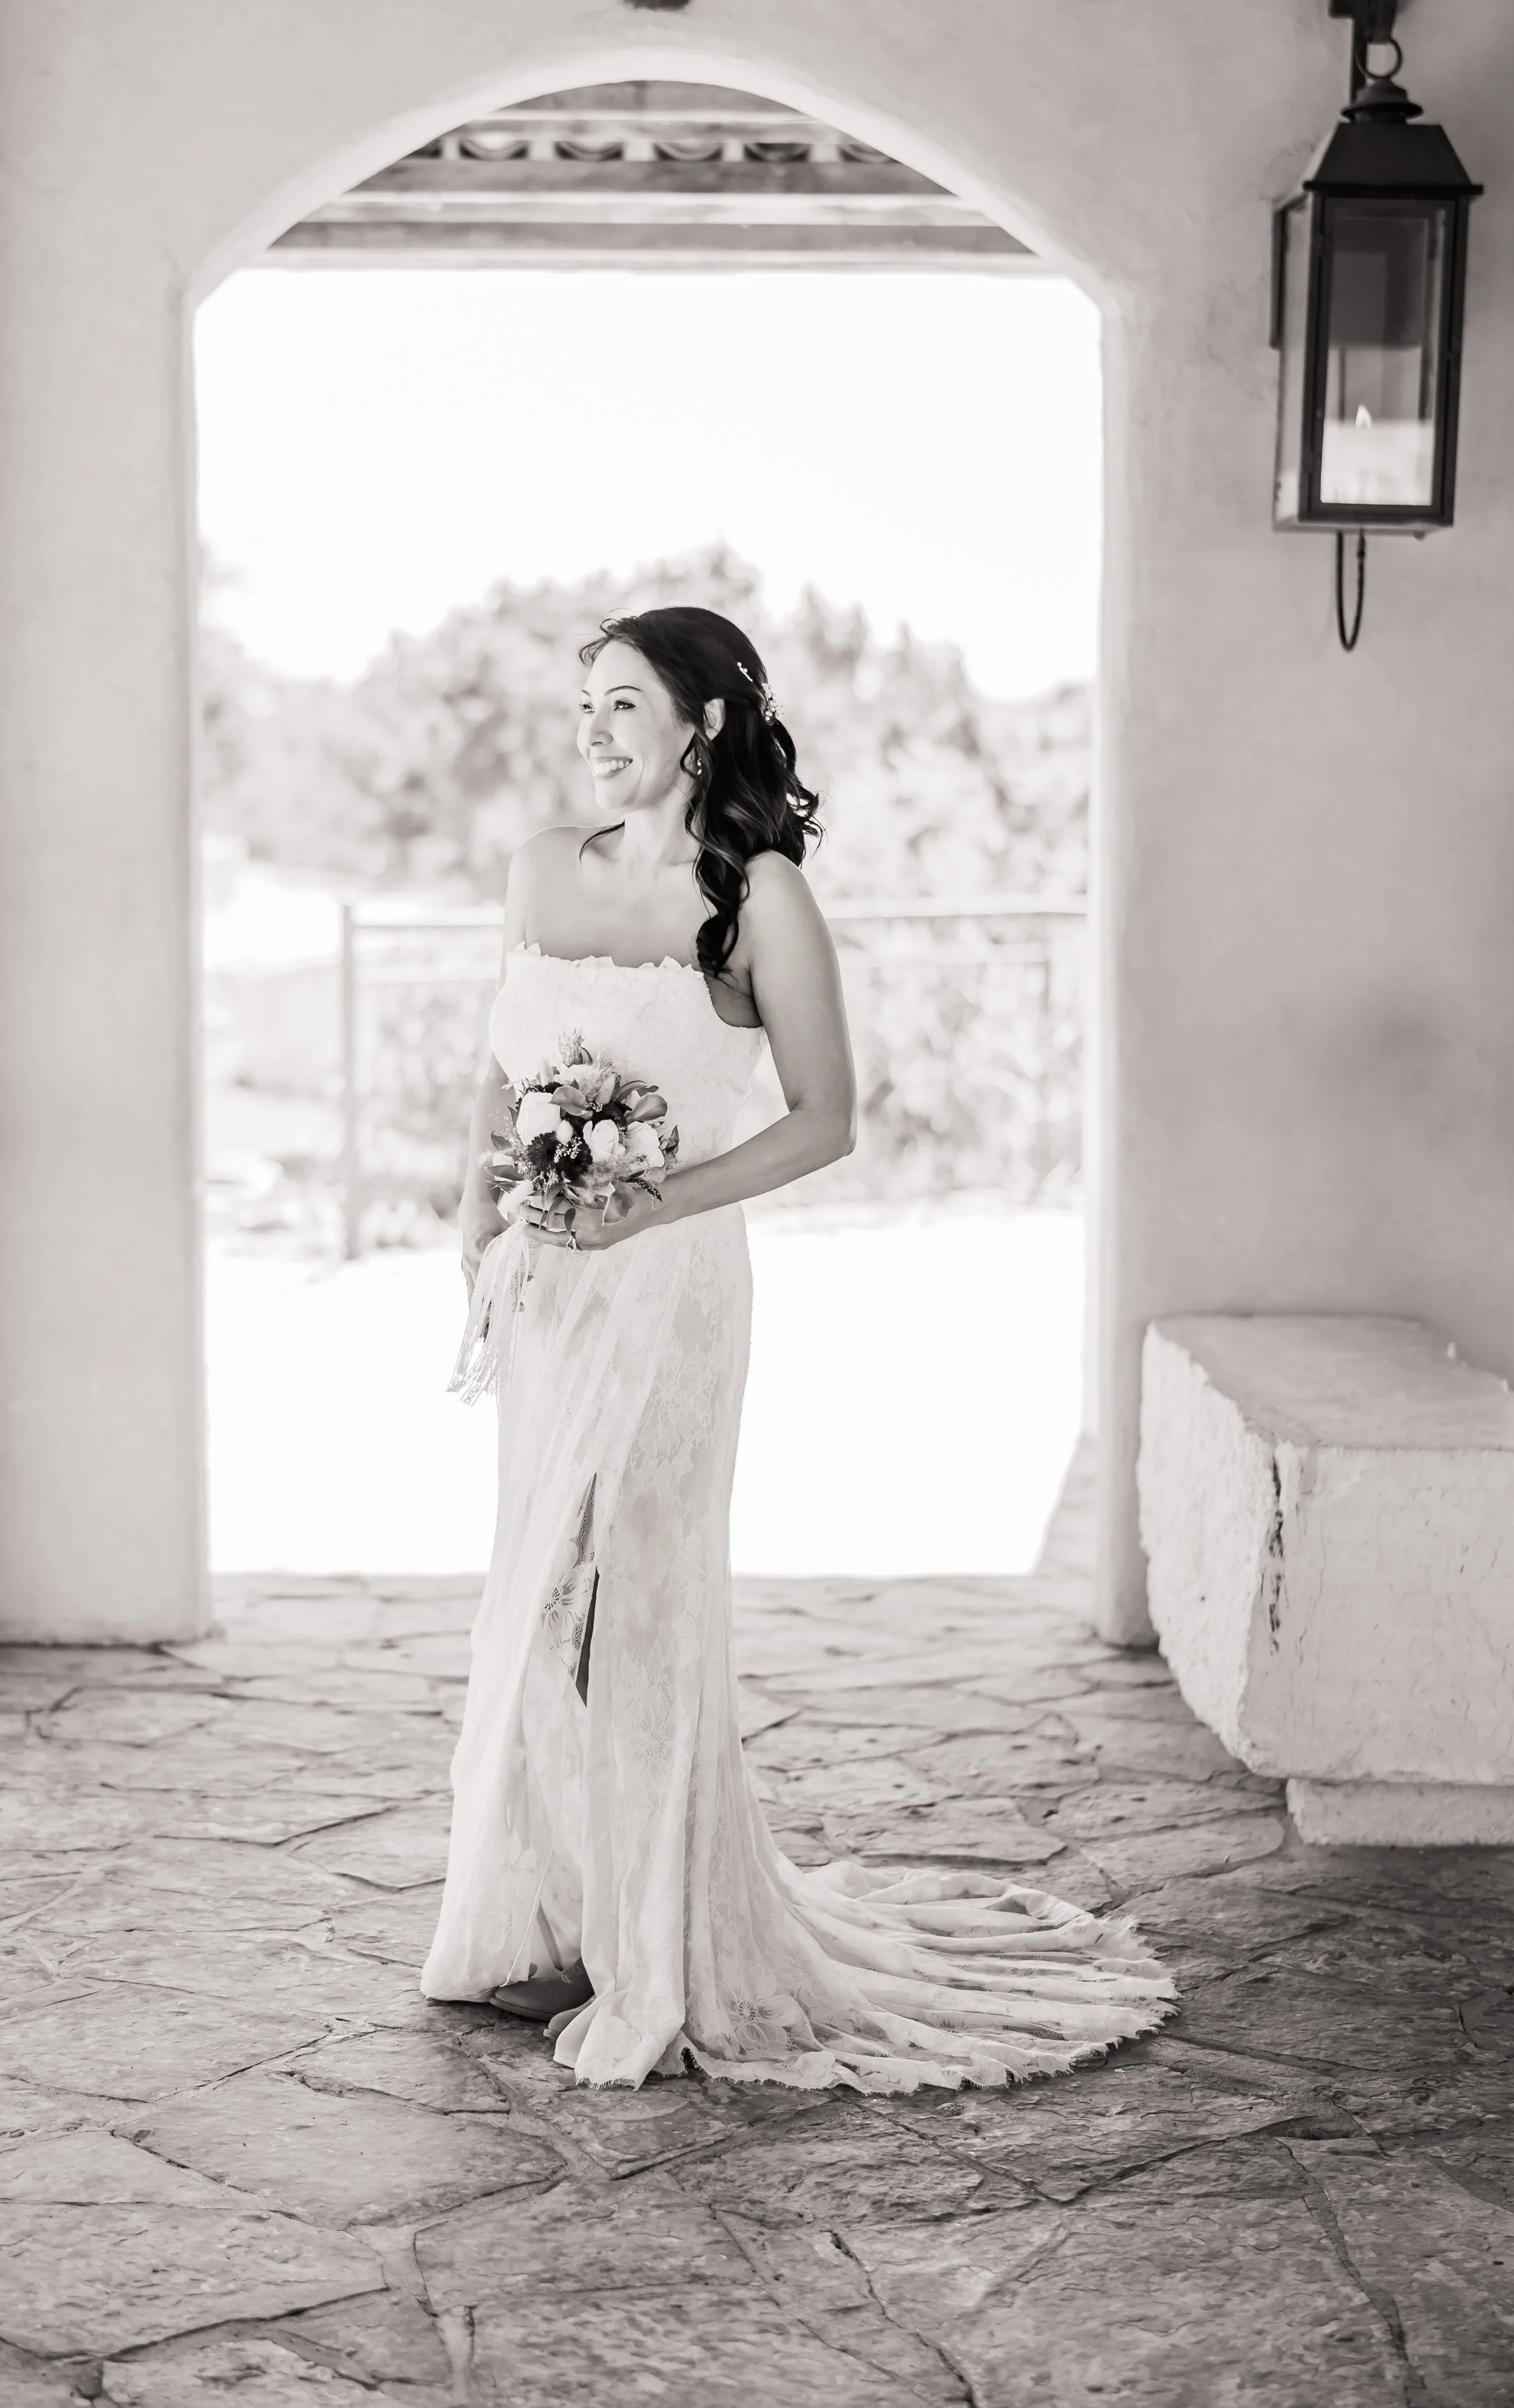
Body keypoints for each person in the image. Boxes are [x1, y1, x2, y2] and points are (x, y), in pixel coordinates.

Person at [420, 605, 1170, 2091]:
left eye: (623, 703)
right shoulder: (534, 870)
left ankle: (658, 1950)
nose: (592, 729)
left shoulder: (754, 895)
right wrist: (475, 1228)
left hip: (672, 1287)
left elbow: (825, 1119)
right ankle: (556, 1907)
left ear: (699, 723)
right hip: (550, 1288)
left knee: (631, 1608)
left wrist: (648, 1207)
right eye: (584, 704)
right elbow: (488, 1082)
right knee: (538, 1599)